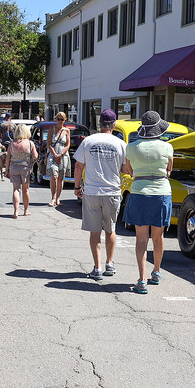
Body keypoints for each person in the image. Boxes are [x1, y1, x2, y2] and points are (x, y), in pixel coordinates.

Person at [120, 111, 175, 294]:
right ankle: (157, 272)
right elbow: (169, 171)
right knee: (158, 237)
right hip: (161, 192)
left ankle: (142, 279)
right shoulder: (167, 147)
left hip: (139, 192)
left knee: (141, 238)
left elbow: (128, 171)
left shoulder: (132, 147)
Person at [73, 109, 127, 281]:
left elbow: (78, 166)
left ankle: (97, 268)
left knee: (95, 232)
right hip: (112, 191)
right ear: (114, 124)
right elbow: (126, 170)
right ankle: (110, 264)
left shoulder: (88, 141)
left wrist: (76, 187)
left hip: (92, 191)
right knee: (110, 229)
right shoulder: (120, 144)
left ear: (100, 124)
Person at [6, 124, 38, 219]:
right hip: (25, 167)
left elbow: (8, 158)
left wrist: (6, 170)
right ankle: (26, 210)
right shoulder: (30, 143)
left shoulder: (12, 143)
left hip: (14, 167)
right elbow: (35, 156)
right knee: (25, 189)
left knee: (16, 189)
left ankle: (16, 211)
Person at [47, 112, 72, 206]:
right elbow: (49, 144)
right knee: (53, 176)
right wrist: (55, 155)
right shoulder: (51, 129)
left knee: (61, 177)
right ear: (55, 119)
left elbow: (68, 144)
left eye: (62, 119)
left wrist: (61, 154)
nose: (60, 121)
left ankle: (58, 198)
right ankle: (53, 197)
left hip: (63, 155)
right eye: (58, 119)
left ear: (64, 120)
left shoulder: (67, 131)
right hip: (53, 155)